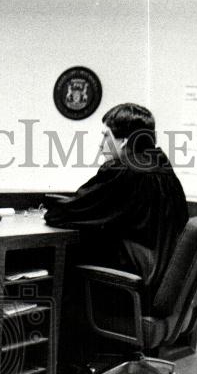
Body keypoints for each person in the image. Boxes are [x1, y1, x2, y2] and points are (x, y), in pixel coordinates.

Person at [44, 103, 188, 292]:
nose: (100, 143)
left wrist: (51, 209)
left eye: (106, 135)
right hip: (164, 280)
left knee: (54, 258)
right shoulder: (164, 169)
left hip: (135, 281)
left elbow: (64, 213)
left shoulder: (124, 170)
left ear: (125, 141)